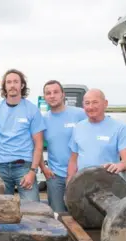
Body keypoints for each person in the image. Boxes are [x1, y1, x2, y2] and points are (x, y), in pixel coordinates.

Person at [0, 69, 44, 202]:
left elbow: (38, 143)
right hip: (0, 168)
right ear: (4, 86)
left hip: (24, 167)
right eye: (9, 82)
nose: (12, 85)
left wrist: (33, 171)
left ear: (22, 85)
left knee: (33, 209)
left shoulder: (32, 110)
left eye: (16, 82)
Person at [67, 89, 126, 183]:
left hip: (108, 184)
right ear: (83, 105)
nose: (91, 107)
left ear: (105, 103)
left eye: (95, 102)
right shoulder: (78, 127)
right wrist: (70, 180)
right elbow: (73, 160)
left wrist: (120, 165)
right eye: (87, 103)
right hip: (82, 184)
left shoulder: (119, 128)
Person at [38, 80, 87, 212]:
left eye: (55, 92)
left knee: (81, 215)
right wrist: (43, 167)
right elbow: (36, 146)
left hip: (80, 174)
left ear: (63, 95)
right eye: (48, 93)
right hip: (55, 176)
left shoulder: (80, 114)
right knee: (58, 215)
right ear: (45, 97)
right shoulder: (43, 120)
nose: (52, 96)